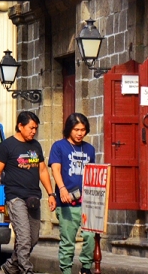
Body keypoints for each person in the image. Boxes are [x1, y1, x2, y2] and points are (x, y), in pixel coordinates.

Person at [0, 111, 57, 274]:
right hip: (15, 197)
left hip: (33, 198)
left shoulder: (36, 146)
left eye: (35, 129)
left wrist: (51, 194)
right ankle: (26, 270)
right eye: (31, 128)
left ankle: (11, 265)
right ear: (20, 126)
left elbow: (43, 171)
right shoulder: (6, 146)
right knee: (23, 238)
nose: (33, 131)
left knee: (33, 238)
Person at [49, 113, 96, 274]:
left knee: (90, 237)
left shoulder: (90, 149)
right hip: (67, 203)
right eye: (76, 129)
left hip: (87, 203)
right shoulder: (59, 146)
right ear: (69, 129)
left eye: (83, 129)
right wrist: (61, 189)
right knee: (68, 241)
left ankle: (86, 268)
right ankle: (66, 270)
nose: (79, 133)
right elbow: (55, 169)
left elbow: (93, 174)